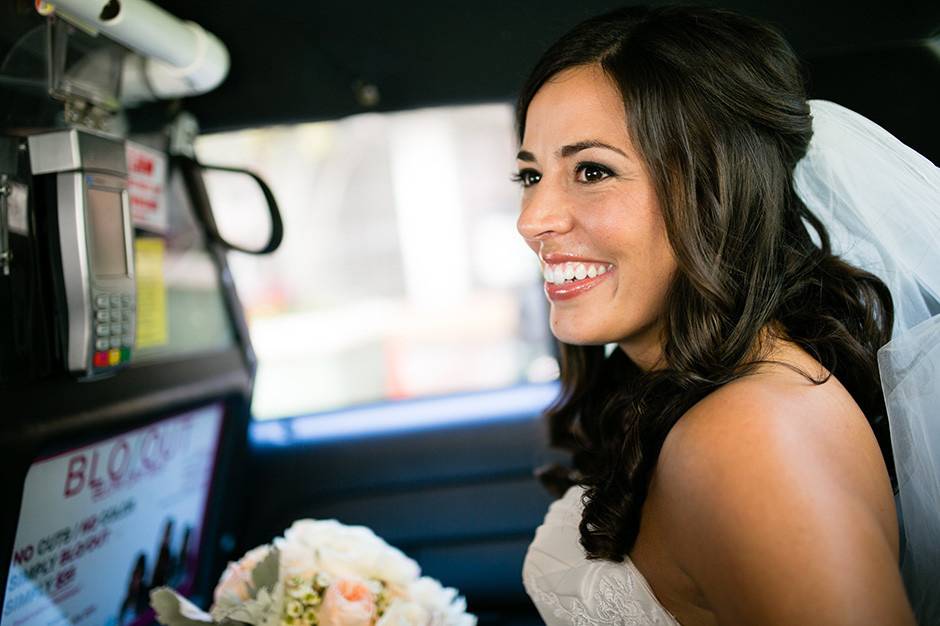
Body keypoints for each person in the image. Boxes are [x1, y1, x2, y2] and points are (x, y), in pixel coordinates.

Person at [514, 6, 936, 625]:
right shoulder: (692, 390)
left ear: (719, 191)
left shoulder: (750, 434)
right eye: (530, 174)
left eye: (592, 171)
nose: (532, 220)